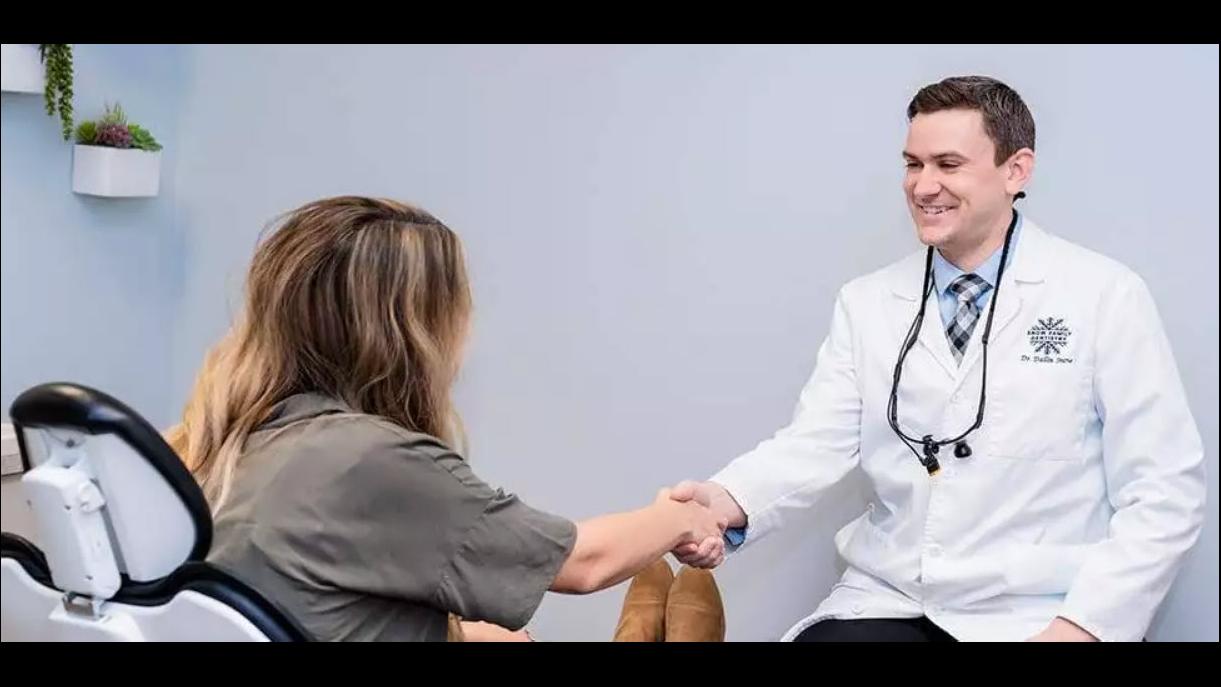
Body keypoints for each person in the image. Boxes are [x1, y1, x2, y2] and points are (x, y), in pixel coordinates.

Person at [668, 75, 1207, 642]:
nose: (924, 186)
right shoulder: (868, 302)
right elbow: (813, 444)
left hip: (1042, 609)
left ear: (1016, 170)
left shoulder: (1103, 295)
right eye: (913, 164)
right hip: (895, 598)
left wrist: (1084, 626)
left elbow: (1165, 490)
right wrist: (723, 501)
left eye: (948, 164)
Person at [166, 195, 726, 641]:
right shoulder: (364, 460)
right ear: (415, 328)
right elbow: (584, 562)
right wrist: (678, 518)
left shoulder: (230, 441)